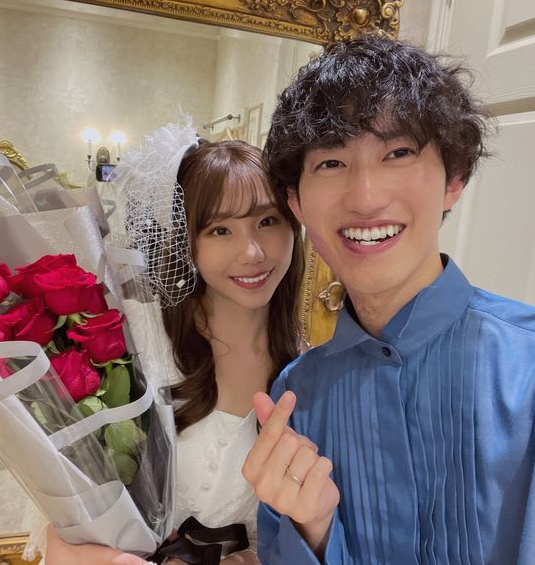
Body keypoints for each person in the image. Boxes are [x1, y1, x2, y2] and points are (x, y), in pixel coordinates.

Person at [242, 36, 535, 564]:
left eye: (398, 153)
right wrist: (315, 532)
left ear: (454, 179)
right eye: (331, 162)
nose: (366, 197)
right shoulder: (294, 397)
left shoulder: (528, 367)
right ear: (296, 202)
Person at [45, 139, 305, 564]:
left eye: (267, 221)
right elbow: (62, 506)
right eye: (220, 229)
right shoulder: (134, 340)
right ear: (186, 241)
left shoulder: (309, 369)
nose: (253, 252)